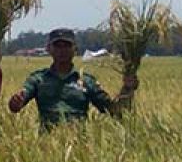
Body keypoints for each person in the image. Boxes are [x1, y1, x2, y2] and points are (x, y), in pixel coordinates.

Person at [8, 27, 137, 130]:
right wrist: (16, 102)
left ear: (75, 49)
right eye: (57, 46)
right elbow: (16, 105)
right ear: (49, 49)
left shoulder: (86, 81)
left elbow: (113, 111)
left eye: (67, 45)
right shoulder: (38, 79)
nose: (62, 50)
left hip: (78, 145)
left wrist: (127, 89)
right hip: (46, 147)